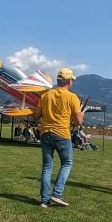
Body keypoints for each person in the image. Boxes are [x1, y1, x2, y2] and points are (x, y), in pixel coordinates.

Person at [34, 67, 84, 208]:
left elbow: (36, 116)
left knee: (47, 167)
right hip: (62, 134)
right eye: (72, 80)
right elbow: (79, 122)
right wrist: (81, 116)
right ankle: (57, 194)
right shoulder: (72, 97)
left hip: (45, 133)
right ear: (69, 81)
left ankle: (44, 200)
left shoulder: (46, 95)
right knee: (67, 163)